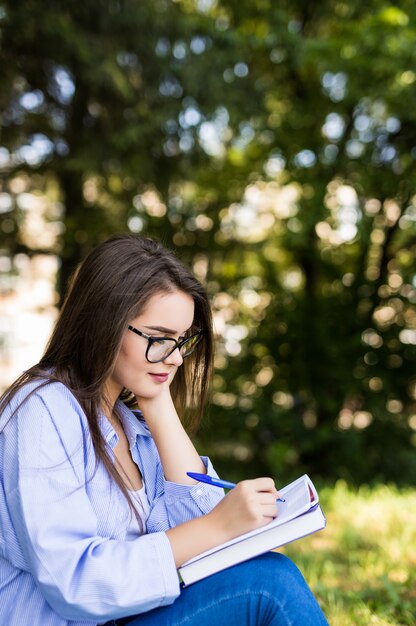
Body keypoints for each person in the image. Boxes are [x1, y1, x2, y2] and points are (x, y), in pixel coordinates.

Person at [0, 234, 329, 626]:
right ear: (103, 324)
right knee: (269, 586)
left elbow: (219, 550)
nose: (174, 358)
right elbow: (74, 582)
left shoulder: (129, 424)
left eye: (181, 340)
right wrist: (216, 525)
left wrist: (158, 405)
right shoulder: (43, 410)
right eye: (158, 339)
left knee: (269, 575)